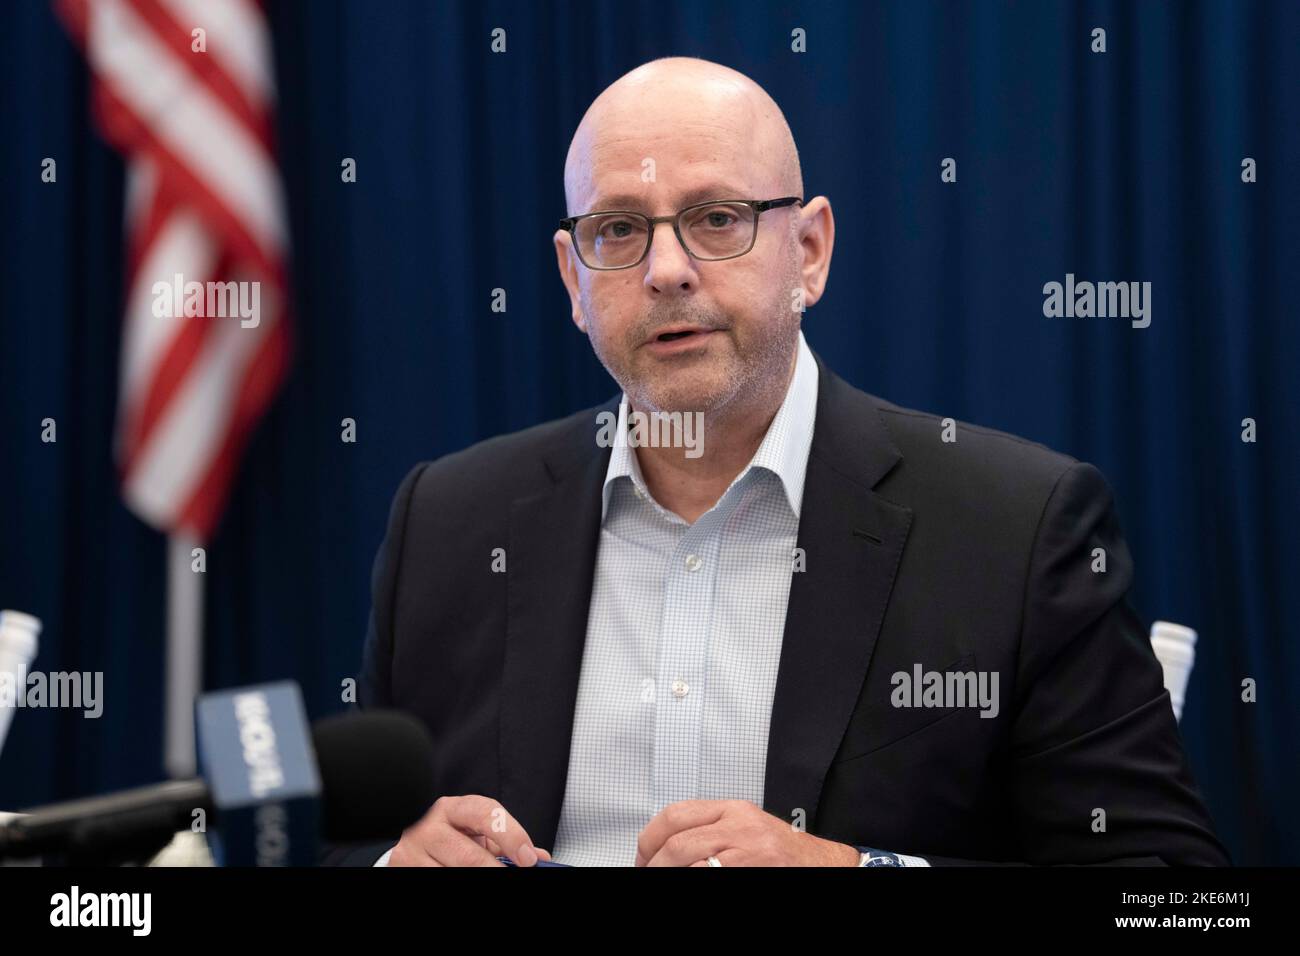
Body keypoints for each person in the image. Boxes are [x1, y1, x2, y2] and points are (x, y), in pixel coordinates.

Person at [335, 57, 1228, 867]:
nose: (667, 271)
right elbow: (351, 840)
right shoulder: (448, 521)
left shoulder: (1017, 529)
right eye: (618, 231)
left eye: (717, 219)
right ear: (574, 280)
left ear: (809, 251)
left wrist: (855, 872)